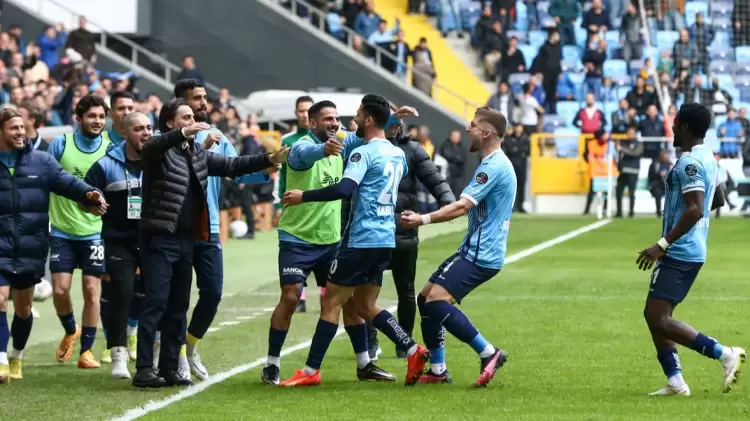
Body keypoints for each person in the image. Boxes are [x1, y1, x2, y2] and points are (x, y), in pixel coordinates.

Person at [132, 99, 287, 389]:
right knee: (156, 303)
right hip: (159, 236)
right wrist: (185, 133)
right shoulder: (158, 149)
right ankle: (143, 369)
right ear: (170, 123)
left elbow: (232, 164)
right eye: (185, 117)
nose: (193, 120)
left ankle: (169, 368)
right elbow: (151, 147)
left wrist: (269, 159)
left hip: (187, 238)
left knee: (178, 305)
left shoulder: (196, 154)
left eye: (193, 117)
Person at [262, 100, 417, 385]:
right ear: (312, 123)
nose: (335, 123)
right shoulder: (298, 147)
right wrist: (323, 149)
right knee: (291, 297)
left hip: (332, 239)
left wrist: (392, 116)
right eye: (327, 119)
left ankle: (364, 364)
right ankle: (272, 363)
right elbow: (307, 155)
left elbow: (372, 131)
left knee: (348, 302)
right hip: (297, 239)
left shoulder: (345, 143)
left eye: (337, 119)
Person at [635, 103, 746, 397]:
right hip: (691, 247)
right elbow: (718, 198)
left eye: (674, 122)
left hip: (680, 251)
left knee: (658, 318)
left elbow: (695, 209)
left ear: (683, 126)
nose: (671, 127)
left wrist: (662, 244)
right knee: (654, 314)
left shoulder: (689, 164)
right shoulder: (709, 158)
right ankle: (675, 381)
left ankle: (725, 354)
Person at [400, 107, 514, 387]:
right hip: (475, 249)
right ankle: (438, 370)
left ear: (486, 133)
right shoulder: (494, 162)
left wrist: (422, 219)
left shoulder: (493, 166)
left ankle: (488, 352)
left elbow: (462, 206)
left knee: (437, 302)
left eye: (473, 125)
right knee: (425, 299)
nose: (467, 129)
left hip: (481, 253)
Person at [173, 79, 271, 381]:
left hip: (209, 226)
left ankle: (190, 346)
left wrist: (269, 167)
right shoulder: (167, 139)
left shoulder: (216, 135)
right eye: (197, 98)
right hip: (175, 228)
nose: (205, 103)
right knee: (175, 297)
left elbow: (235, 165)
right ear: (181, 103)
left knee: (213, 293)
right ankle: (174, 355)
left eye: (204, 98)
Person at [0, 108, 107, 384]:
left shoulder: (41, 161)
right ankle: (0, 358)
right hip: (0, 245)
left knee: (23, 310)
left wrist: (88, 193)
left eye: (22, 127)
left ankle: (15, 354)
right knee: (0, 298)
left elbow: (67, 183)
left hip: (30, 247)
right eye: (14, 128)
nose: (21, 133)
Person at [366, 111, 454, 360]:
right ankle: (372, 343)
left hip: (401, 229)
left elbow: (435, 180)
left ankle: (402, 342)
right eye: (394, 118)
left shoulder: (412, 149)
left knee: (404, 290)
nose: (398, 124)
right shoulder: (367, 147)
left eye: (400, 119)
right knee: (367, 293)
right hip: (375, 231)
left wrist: (448, 203)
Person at [46, 95, 112, 369]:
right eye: (91, 116)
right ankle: (70, 329)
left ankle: (86, 350)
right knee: (60, 291)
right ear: (79, 118)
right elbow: (46, 177)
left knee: (91, 290)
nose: (97, 121)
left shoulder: (111, 147)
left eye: (100, 116)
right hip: (61, 230)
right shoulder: (61, 144)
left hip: (95, 232)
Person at [84, 112, 150, 380]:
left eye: (148, 127)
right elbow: (85, 197)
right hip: (118, 241)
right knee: (122, 293)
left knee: (152, 296)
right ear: (124, 132)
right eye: (138, 128)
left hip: (152, 239)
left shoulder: (159, 160)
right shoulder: (105, 165)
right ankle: (118, 353)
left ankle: (149, 353)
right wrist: (92, 202)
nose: (145, 133)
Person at [277, 96, 314, 313]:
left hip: (319, 201)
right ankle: (300, 296)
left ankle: (327, 294)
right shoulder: (288, 140)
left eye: (308, 110)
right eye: (301, 110)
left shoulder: (322, 138)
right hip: (294, 201)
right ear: (296, 112)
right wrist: (279, 200)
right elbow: (282, 173)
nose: (304, 114)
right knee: (297, 248)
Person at [615, 125, 643, 218]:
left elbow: (635, 153)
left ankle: (631, 212)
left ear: (635, 133)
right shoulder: (623, 142)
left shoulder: (638, 143)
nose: (630, 134)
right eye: (628, 132)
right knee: (619, 191)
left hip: (633, 171)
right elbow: (619, 154)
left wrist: (622, 149)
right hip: (623, 171)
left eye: (632, 132)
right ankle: (619, 212)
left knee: (631, 193)